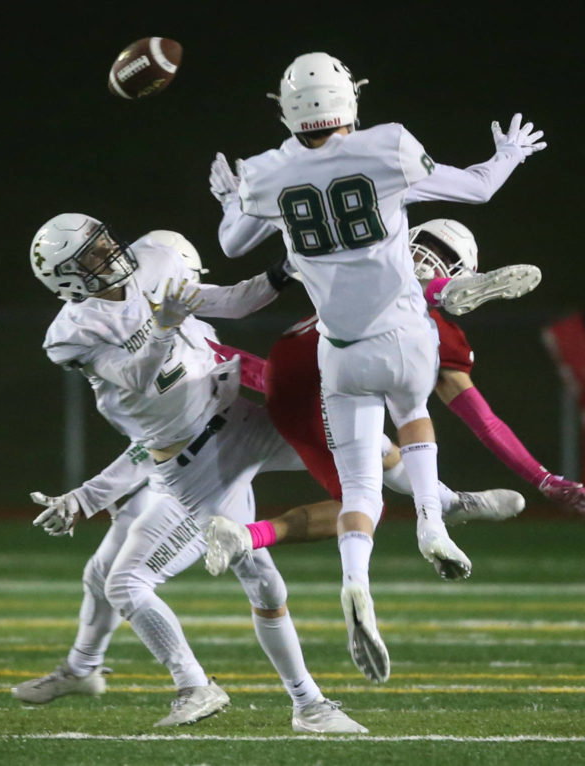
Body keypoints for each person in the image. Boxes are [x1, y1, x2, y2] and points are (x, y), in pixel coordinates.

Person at [210, 51, 548, 683]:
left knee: (360, 487)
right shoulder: (387, 145)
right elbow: (477, 188)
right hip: (402, 335)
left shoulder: (265, 172)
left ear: (284, 110)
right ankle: (431, 521)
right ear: (350, 101)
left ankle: (355, 582)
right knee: (415, 413)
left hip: (337, 351)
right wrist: (507, 155)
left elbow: (232, 244)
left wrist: (233, 198)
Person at [13, 216, 365, 733]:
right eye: (91, 254)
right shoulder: (73, 333)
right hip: (187, 462)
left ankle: (440, 504)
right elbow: (140, 388)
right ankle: (296, 702)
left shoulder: (157, 270)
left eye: (105, 240)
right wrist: (86, 497)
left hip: (228, 430)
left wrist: (285, 267)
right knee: (147, 578)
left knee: (365, 454)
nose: (109, 252)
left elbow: (233, 301)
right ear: (67, 278)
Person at [203, 219, 585, 572]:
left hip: (296, 391)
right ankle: (246, 536)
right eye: (429, 245)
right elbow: (483, 421)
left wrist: (226, 358)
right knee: (363, 506)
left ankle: (449, 501)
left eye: (441, 253)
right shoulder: (391, 294)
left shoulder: (366, 279)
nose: (429, 256)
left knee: (383, 452)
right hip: (311, 396)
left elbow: (483, 419)